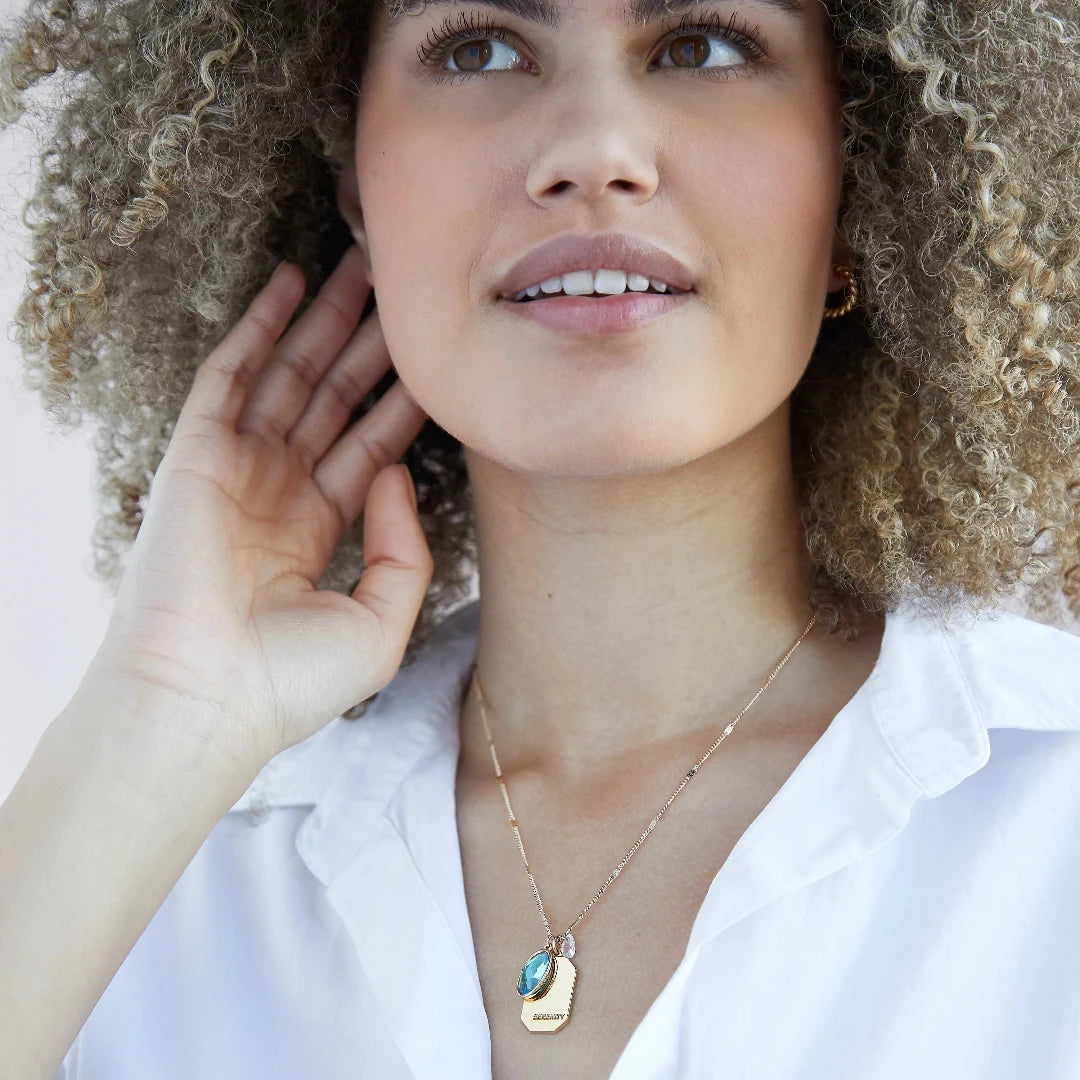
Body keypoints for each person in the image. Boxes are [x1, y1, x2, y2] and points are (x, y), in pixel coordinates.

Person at [1, 0, 1079, 1076]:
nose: (595, 154)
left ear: (856, 176)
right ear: (356, 193)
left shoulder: (1053, 816)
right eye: (477, 49)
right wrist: (158, 711)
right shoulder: (160, 878)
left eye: (702, 45)